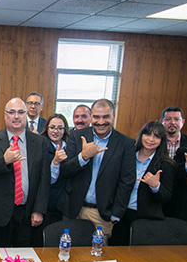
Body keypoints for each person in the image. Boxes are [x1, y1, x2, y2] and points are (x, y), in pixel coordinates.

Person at [58, 99, 135, 242]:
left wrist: (116, 214)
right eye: (96, 117)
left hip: (102, 214)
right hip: (74, 209)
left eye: (106, 117)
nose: (101, 122)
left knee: (96, 259)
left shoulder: (126, 143)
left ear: (113, 116)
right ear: (91, 117)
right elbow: (65, 170)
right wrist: (83, 157)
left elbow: (127, 180)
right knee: (68, 254)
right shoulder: (77, 136)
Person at [0, 98, 50, 247]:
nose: (16, 116)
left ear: (26, 116)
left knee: (25, 260)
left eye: (20, 112)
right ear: (5, 116)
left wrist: (39, 210)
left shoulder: (40, 142)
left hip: (28, 213)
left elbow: (44, 179)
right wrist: (3, 161)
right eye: (12, 112)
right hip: (0, 213)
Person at [109, 121, 176, 245]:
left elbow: (166, 196)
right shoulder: (127, 155)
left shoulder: (166, 164)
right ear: (141, 135)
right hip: (120, 214)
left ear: (162, 141)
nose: (151, 139)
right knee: (116, 252)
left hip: (146, 218)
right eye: (148, 134)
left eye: (156, 136)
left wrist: (156, 186)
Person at [41, 113, 70, 227]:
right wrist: (55, 162)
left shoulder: (70, 147)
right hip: (48, 204)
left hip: (66, 204)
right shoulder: (41, 146)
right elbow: (47, 179)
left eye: (60, 128)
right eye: (52, 127)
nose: (55, 131)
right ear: (47, 128)